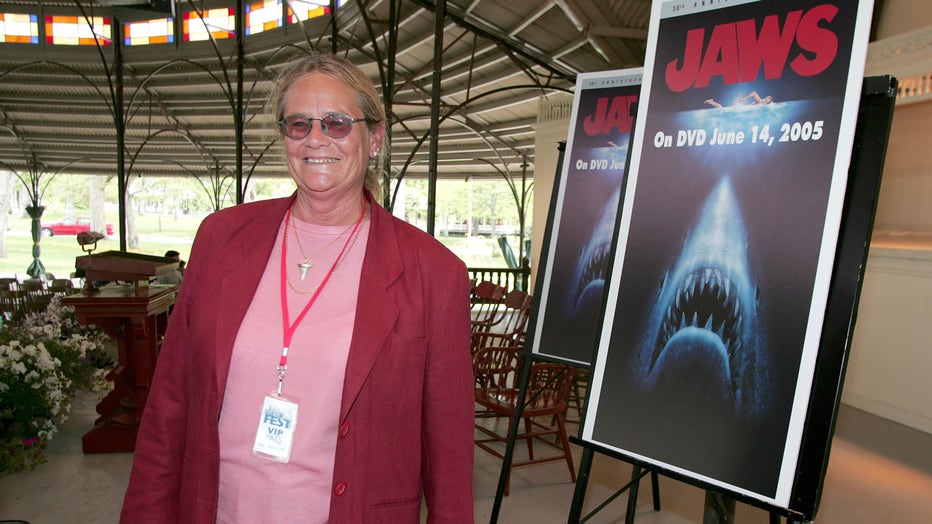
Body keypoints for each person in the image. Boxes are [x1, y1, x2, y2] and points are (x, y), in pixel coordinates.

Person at [121, 53, 475, 523]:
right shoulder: (221, 239)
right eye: (299, 124)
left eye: (336, 123)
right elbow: (170, 407)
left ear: (374, 139)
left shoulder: (433, 272)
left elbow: (450, 460)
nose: (315, 139)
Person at [705, 90, 773, 108]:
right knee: (721, 109)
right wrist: (744, 99)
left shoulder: (763, 105)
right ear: (765, 98)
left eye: (767, 102)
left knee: (721, 109)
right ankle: (711, 102)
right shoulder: (760, 101)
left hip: (742, 110)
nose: (766, 101)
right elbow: (754, 93)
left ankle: (711, 102)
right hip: (741, 109)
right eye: (766, 100)